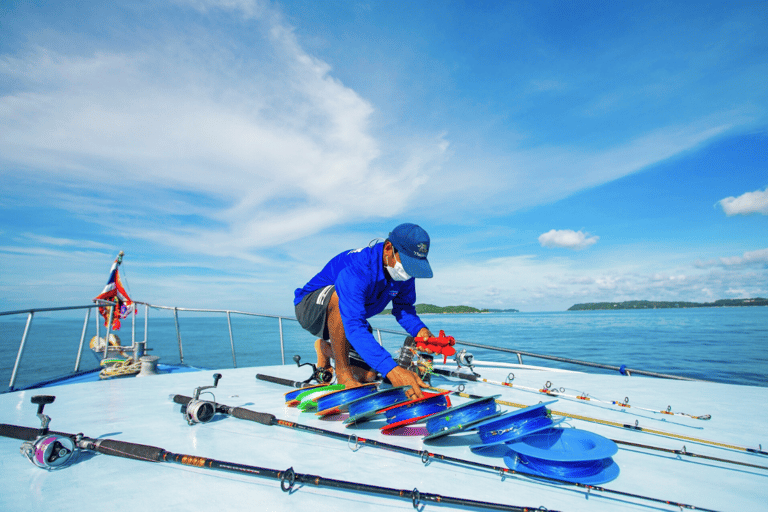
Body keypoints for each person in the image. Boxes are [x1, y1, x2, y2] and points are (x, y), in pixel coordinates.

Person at [294, 223, 437, 400]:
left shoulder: (404, 274)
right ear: (388, 248)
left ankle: (325, 349)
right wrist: (393, 370)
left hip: (347, 318)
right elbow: (354, 326)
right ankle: (343, 373)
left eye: (414, 266)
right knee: (339, 297)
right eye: (407, 263)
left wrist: (421, 331)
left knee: (367, 377)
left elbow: (404, 308)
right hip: (310, 308)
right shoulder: (358, 268)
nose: (409, 272)